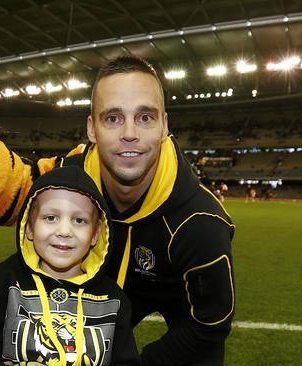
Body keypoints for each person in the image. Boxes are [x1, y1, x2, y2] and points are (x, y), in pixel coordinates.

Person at [38, 56, 235, 365]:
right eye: (113, 118)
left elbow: (209, 324)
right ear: (91, 128)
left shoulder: (200, 223)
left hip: (176, 293)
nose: (129, 133)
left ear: (164, 125)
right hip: (96, 285)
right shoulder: (65, 190)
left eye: (145, 117)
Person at [0, 166, 140, 366]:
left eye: (79, 220)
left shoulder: (113, 299)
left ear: (96, 234)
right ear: (29, 227)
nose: (64, 231)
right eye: (50, 218)